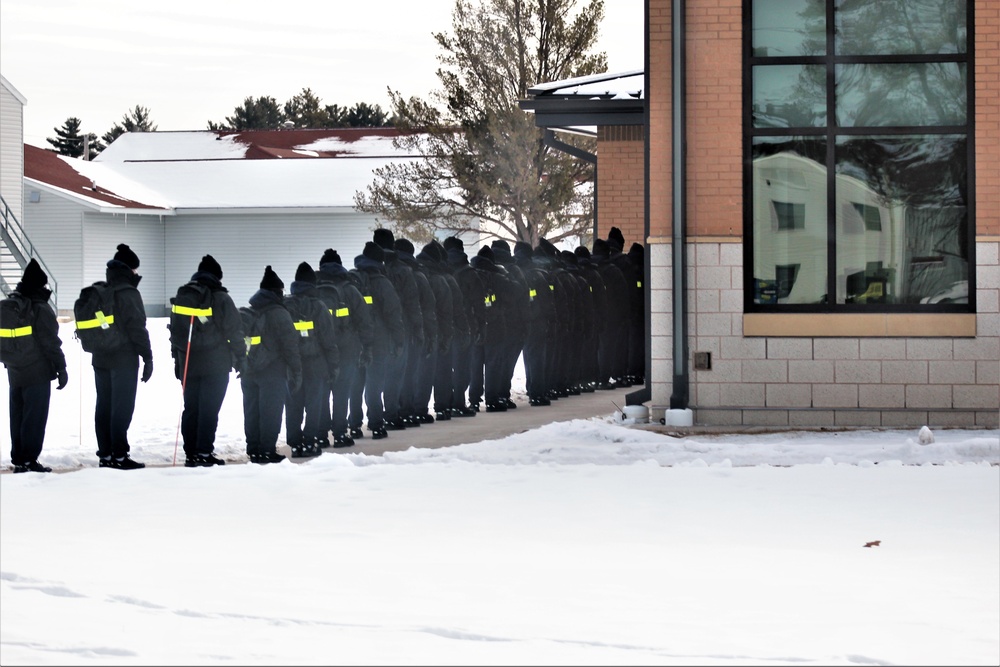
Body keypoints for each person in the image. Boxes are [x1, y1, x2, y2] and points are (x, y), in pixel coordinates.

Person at [169, 254, 245, 467]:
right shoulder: (221, 298)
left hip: (189, 363)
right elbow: (235, 331)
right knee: (209, 409)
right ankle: (204, 452)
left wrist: (177, 361)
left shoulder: (184, 295)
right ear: (217, 277)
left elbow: (175, 332)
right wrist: (241, 357)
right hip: (215, 363)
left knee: (191, 408)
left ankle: (191, 453)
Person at [1, 259, 67, 473]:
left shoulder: (14, 305)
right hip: (37, 371)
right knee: (35, 417)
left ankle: (19, 458)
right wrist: (61, 367)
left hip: (15, 369)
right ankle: (30, 459)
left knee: (18, 415)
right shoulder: (40, 308)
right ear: (41, 285)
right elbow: (51, 342)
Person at [90, 244, 152, 470]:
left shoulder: (101, 291)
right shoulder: (129, 293)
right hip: (123, 358)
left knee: (103, 405)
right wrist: (147, 357)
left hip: (100, 357)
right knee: (121, 407)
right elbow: (137, 328)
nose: (137, 274)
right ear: (129, 270)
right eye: (135, 270)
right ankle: (119, 455)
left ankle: (105, 454)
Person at [241, 266, 302, 464]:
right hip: (272, 371)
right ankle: (267, 450)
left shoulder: (251, 310)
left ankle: (254, 450)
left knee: (251, 411)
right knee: (270, 411)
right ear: (277, 292)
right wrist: (296, 370)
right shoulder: (279, 313)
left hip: (249, 370)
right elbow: (290, 345)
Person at [316, 249, 373, 448]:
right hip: (347, 350)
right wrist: (366, 346)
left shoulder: (314, 288)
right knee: (342, 393)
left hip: (320, 351)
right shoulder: (350, 289)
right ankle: (340, 434)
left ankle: (321, 435)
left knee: (321, 394)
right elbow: (364, 321)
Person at [283, 261, 339, 458]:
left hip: (292, 365)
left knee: (293, 405)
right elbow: (328, 339)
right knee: (314, 405)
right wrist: (333, 365)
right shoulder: (318, 306)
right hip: (316, 363)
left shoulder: (285, 305)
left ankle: (295, 444)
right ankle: (310, 441)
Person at [352, 242, 405, 439]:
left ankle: (354, 425)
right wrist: (399, 340)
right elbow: (393, 314)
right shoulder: (383, 282)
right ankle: (376, 423)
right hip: (378, 341)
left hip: (355, 340)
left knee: (356, 384)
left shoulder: (353, 280)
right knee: (375, 383)